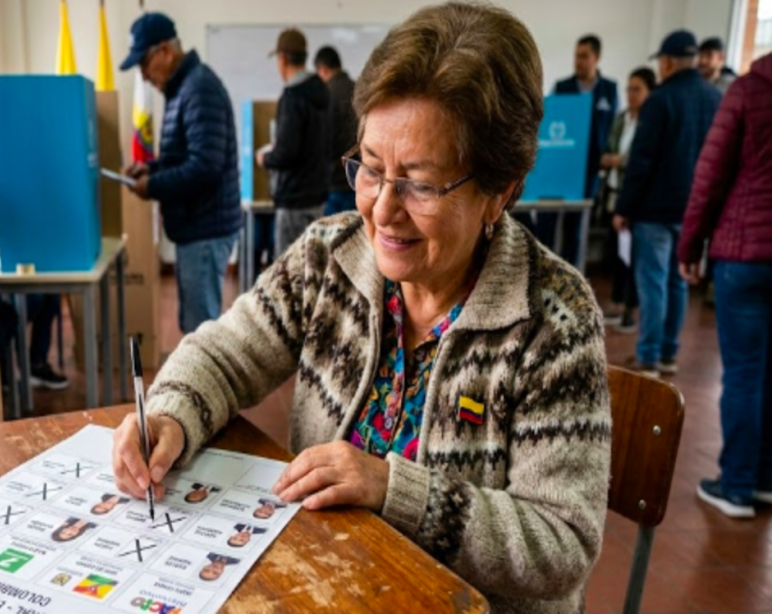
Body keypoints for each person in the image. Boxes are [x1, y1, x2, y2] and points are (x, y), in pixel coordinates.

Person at [111, 5, 610, 612]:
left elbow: (562, 543)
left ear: (500, 192)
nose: (382, 210)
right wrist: (171, 412)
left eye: (420, 184)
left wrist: (393, 488)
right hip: (330, 585)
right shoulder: (332, 255)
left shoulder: (551, 319)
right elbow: (225, 352)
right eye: (371, 169)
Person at [679, 52, 772, 518]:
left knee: (743, 372)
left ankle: (736, 485)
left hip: (744, 252)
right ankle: (764, 480)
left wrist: (689, 245)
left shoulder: (749, 90)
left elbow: (710, 177)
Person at [119, 12, 241, 335]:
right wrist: (150, 168)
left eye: (144, 64)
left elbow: (204, 166)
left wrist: (152, 185)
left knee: (200, 333)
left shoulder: (198, 88)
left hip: (205, 230)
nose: (144, 76)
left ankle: (206, 373)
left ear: (164, 51)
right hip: (198, 228)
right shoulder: (183, 88)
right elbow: (183, 155)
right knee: (195, 326)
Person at [613, 30, 722, 377]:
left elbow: (641, 161)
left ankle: (648, 357)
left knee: (653, 283)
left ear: (669, 62)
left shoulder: (659, 100)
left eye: (661, 61)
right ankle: (668, 354)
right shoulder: (714, 98)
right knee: (677, 282)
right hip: (693, 211)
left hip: (654, 211)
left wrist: (624, 208)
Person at [0, 120, 69, 391]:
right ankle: (3, 377)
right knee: (21, 306)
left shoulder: (5, 181)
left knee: (49, 295)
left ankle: (36, 364)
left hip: (10, 266)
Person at [256, 28, 331, 256]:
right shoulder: (322, 90)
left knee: (289, 270)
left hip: (293, 201)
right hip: (317, 197)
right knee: (313, 267)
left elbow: (286, 152)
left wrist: (265, 158)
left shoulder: (292, 97)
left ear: (283, 59)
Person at [548, 34, 619, 264]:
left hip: (590, 169)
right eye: (576, 56)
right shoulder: (562, 87)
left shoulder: (609, 90)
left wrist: (608, 155)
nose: (578, 61)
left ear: (596, 58)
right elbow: (551, 121)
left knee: (577, 225)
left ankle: (571, 273)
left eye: (584, 56)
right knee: (548, 222)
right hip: (562, 166)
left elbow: (613, 129)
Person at [599, 68, 657, 333]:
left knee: (634, 256)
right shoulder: (622, 119)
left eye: (637, 89)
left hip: (636, 198)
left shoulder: (651, 122)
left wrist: (620, 161)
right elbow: (608, 150)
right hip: (614, 193)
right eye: (629, 88)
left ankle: (630, 308)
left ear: (649, 92)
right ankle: (616, 301)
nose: (631, 94)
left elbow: (640, 161)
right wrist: (612, 159)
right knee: (617, 253)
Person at [314, 45, 358, 217]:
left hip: (334, 182)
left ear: (322, 70)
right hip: (357, 178)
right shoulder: (358, 89)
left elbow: (325, 142)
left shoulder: (326, 95)